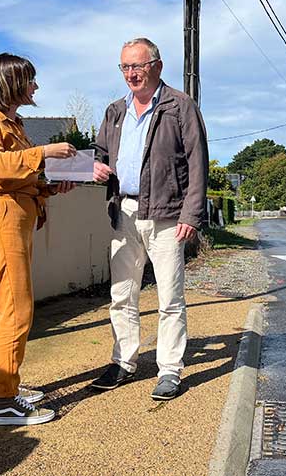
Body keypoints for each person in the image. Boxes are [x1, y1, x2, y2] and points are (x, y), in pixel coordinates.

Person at [90, 37, 208, 400]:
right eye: (125, 67)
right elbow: (100, 152)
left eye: (137, 66)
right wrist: (95, 166)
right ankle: (123, 362)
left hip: (168, 213)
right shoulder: (115, 111)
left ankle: (169, 369)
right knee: (122, 293)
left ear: (156, 66)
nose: (131, 74)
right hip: (123, 210)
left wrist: (192, 213)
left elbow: (197, 162)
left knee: (170, 297)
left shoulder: (180, 106)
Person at [0, 53, 77, 425]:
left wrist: (48, 188)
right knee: (16, 305)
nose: (35, 86)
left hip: (12, 214)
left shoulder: (10, 123)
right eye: (30, 80)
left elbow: (15, 176)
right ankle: (6, 402)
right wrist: (43, 152)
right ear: (11, 83)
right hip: (0, 216)